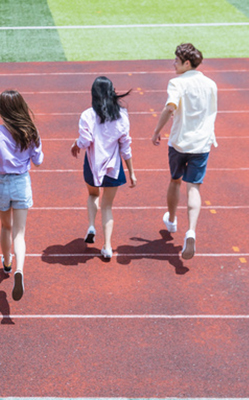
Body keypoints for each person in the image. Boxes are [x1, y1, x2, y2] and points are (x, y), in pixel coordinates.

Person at [0, 90, 44, 301]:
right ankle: (19, 269)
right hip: (21, 182)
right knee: (20, 233)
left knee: (6, 226)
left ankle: (6, 263)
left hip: (1, 183)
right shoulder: (31, 132)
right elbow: (38, 161)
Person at [152, 43, 217, 260]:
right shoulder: (210, 84)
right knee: (194, 189)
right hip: (202, 144)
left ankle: (171, 220)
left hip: (179, 143)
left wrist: (157, 130)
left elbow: (170, 107)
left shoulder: (176, 83)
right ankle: (191, 232)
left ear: (186, 63)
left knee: (175, 181)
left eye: (176, 60)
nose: (173, 63)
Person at [71, 76, 137, 259]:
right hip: (113, 167)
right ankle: (107, 246)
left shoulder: (87, 115)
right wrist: (131, 172)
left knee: (93, 195)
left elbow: (85, 142)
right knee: (107, 207)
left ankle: (91, 225)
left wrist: (75, 144)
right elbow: (125, 145)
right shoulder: (122, 115)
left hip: (93, 165)